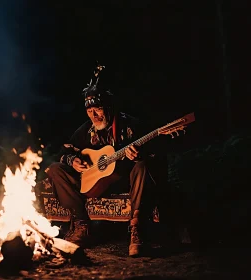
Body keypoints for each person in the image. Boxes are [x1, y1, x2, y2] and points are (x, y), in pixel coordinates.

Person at [45, 65, 168, 257]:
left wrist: (139, 155)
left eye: (98, 109)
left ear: (109, 107)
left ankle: (137, 230)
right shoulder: (86, 130)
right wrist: (73, 160)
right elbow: (63, 151)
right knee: (55, 169)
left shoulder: (130, 125)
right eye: (90, 111)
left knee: (142, 165)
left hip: (125, 180)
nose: (94, 115)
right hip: (94, 182)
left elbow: (157, 152)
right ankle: (81, 225)